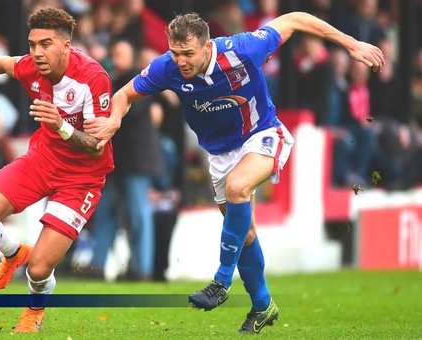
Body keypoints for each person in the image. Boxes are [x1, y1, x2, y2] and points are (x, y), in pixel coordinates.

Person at [84, 11, 384, 334]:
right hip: (220, 154)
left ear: (206, 46)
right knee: (245, 233)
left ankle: (221, 282)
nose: (180, 61)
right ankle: (263, 305)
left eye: (188, 53)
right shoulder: (167, 67)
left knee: (238, 187)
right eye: (175, 53)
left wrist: (351, 43)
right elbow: (124, 94)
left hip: (263, 133)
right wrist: (114, 119)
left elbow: (295, 19)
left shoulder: (241, 49)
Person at [0, 7, 114, 333]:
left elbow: (97, 145)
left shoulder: (93, 78)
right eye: (32, 45)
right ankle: (14, 253)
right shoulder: (32, 65)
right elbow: (5, 64)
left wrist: (60, 126)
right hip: (41, 161)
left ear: (66, 46)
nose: (37, 53)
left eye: (45, 44)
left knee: (41, 268)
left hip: (81, 178)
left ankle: (33, 312)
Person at [87, 39, 163, 281]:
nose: (117, 58)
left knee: (138, 214)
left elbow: (127, 115)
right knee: (105, 211)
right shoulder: (109, 81)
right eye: (115, 53)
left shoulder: (138, 83)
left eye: (122, 54)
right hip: (112, 160)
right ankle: (97, 265)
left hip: (136, 160)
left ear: (131, 59)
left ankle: (142, 269)